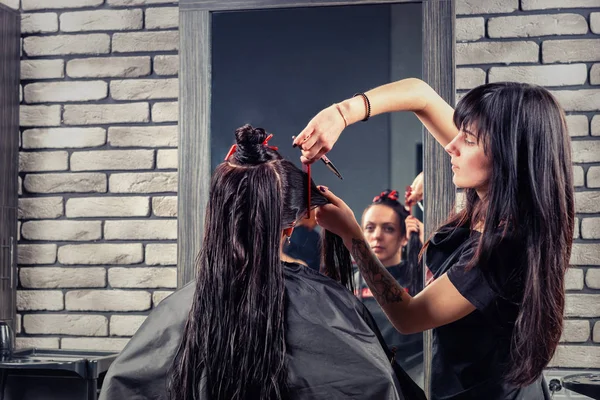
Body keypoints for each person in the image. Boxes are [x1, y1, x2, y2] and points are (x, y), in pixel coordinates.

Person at [99, 125, 425, 400]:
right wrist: (351, 234)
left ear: (217, 216)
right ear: (290, 224)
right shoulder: (328, 304)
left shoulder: (176, 310)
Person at [294, 80, 573, 399]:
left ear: (508, 155)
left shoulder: (507, 247)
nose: (451, 147)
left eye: (467, 140)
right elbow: (420, 96)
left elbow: (410, 316)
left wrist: (352, 236)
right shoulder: (490, 196)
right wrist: (341, 113)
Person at [357, 189, 423, 384]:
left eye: (388, 229)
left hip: (413, 377)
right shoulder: (347, 282)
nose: (377, 236)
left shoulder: (421, 280)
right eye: (369, 228)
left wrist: (428, 238)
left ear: (404, 237)